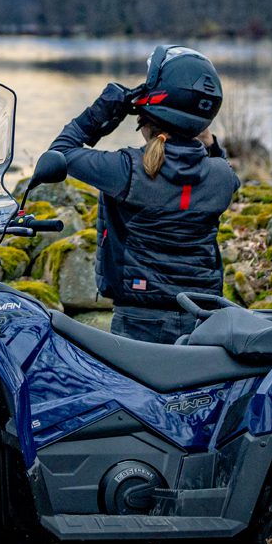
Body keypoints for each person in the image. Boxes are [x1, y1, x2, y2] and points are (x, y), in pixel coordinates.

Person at [49, 45, 243, 344]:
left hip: (139, 317)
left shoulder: (128, 170)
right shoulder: (221, 175)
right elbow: (225, 168)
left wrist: (100, 111)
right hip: (203, 316)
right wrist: (206, 138)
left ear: (149, 118)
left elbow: (59, 153)